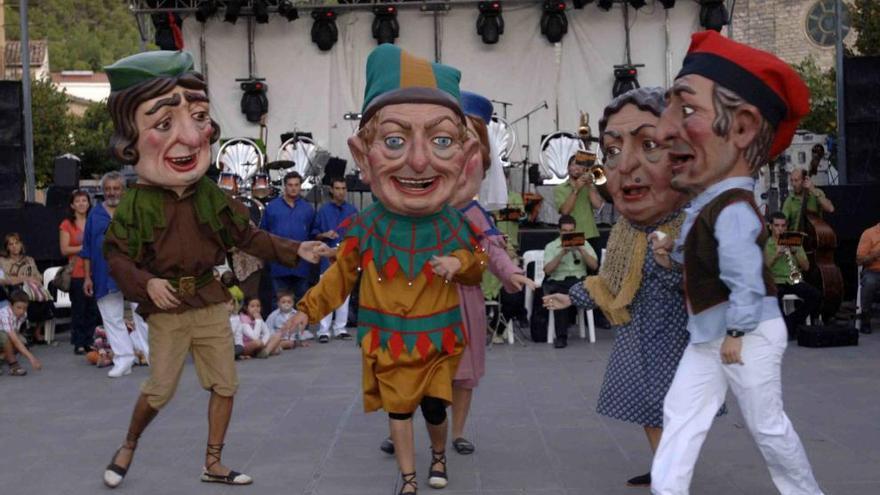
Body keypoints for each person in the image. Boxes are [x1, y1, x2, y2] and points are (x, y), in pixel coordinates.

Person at [97, 50, 327, 489]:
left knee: (225, 384)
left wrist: (299, 249)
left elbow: (248, 236)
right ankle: (128, 444)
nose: (187, 136)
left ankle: (214, 463)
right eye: (163, 124)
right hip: (167, 310)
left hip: (208, 300)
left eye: (198, 117)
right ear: (132, 137)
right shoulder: (137, 203)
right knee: (160, 389)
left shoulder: (209, 195)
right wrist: (147, 283)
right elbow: (117, 257)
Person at [286, 44, 487, 495]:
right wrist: (306, 311)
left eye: (441, 141)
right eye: (395, 141)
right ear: (362, 153)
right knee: (398, 412)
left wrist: (460, 262)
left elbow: (478, 266)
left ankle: (437, 457)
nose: (419, 162)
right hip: (390, 342)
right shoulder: (367, 227)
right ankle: (409, 478)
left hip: (438, 340)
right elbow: (339, 276)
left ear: (464, 153)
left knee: (436, 408)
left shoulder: (454, 222)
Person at [649, 31, 823, 494]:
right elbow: (710, 269)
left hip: (742, 335)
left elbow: (745, 277)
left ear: (743, 128)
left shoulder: (731, 210)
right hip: (713, 334)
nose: (664, 130)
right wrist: (673, 255)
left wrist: (738, 332)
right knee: (681, 416)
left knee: (767, 427)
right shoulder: (713, 205)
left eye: (686, 110)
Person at [542, 87, 692, 487]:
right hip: (635, 329)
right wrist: (569, 296)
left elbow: (712, 282)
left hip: (677, 334)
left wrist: (673, 262)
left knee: (672, 407)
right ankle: (664, 469)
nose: (625, 164)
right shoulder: (627, 229)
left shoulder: (692, 224)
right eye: (613, 150)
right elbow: (609, 283)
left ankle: (671, 474)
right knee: (646, 405)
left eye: (648, 144)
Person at [82, 172, 150, 378]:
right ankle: (124, 359)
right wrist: (87, 277)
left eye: (116, 188)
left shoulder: (134, 211)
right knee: (112, 318)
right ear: (103, 191)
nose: (112, 192)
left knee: (144, 314)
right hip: (104, 273)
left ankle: (152, 356)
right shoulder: (94, 214)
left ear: (123, 190)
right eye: (108, 188)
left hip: (133, 271)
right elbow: (86, 248)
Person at [260, 171, 317, 312]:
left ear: (300, 187)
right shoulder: (272, 207)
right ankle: (277, 331)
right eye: (290, 185)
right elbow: (264, 233)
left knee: (302, 299)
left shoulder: (307, 209)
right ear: (284, 186)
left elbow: (312, 234)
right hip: (278, 262)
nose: (293, 188)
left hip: (301, 262)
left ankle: (300, 331)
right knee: (278, 300)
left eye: (296, 185)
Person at [312, 177, 358, 342]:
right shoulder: (323, 210)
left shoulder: (352, 210)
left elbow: (359, 232)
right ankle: (324, 330)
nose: (341, 192)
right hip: (327, 255)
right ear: (331, 190)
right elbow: (314, 233)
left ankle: (340, 327)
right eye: (338, 188)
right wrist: (325, 234)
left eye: (344, 188)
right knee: (326, 292)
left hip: (345, 254)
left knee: (344, 293)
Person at [542, 214, 598, 348]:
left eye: (571, 232)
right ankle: (561, 337)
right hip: (559, 280)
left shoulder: (584, 243)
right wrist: (561, 253)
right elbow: (547, 271)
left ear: (575, 230)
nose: (568, 234)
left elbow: (595, 266)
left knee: (590, 286)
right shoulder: (551, 246)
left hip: (579, 280)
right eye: (565, 231)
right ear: (559, 231)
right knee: (559, 294)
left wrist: (581, 249)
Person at [765, 212, 821, 337]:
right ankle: (790, 327)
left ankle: (789, 325)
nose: (780, 228)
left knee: (815, 295)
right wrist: (776, 255)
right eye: (777, 225)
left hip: (793, 279)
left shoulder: (793, 241)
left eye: (783, 226)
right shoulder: (766, 243)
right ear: (770, 226)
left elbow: (806, 267)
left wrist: (794, 251)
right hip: (775, 280)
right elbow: (764, 268)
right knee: (775, 298)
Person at [60, 189, 100, 354]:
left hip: (95, 270)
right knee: (79, 308)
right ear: (72, 205)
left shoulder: (95, 220)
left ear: (89, 203)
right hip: (76, 271)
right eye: (78, 201)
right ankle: (79, 342)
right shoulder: (66, 224)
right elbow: (64, 249)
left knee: (93, 309)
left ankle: (91, 340)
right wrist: (84, 248)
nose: (81, 204)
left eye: (84, 200)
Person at [0, 233, 54, 345]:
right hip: (14, 289)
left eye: (17, 243)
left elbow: (38, 276)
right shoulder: (3, 261)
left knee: (45, 297)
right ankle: (22, 331)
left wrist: (34, 281)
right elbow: (6, 279)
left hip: (32, 288)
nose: (14, 246)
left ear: (21, 245)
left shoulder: (29, 260)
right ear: (7, 247)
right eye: (11, 244)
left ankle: (37, 332)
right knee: (19, 295)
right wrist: (24, 278)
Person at [554, 150, 604, 249]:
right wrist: (576, 190)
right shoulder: (560, 188)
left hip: (591, 233)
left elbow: (598, 205)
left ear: (584, 169)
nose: (577, 167)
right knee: (573, 264)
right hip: (572, 234)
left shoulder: (589, 186)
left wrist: (589, 185)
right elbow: (565, 211)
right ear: (568, 168)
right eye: (573, 165)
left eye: (580, 165)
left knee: (593, 264)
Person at [0, 289, 42, 375]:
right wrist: (31, 358)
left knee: (22, 341)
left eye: (25, 308)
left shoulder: (23, 314)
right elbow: (13, 339)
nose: (22, 311)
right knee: (6, 338)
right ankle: (14, 365)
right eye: (18, 307)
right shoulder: (5, 313)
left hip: (6, 334)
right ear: (10, 306)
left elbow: (15, 333)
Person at [856, 220, 880, 333]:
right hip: (873, 270)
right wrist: (875, 254)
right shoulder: (869, 234)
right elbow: (859, 260)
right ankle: (865, 319)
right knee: (870, 282)